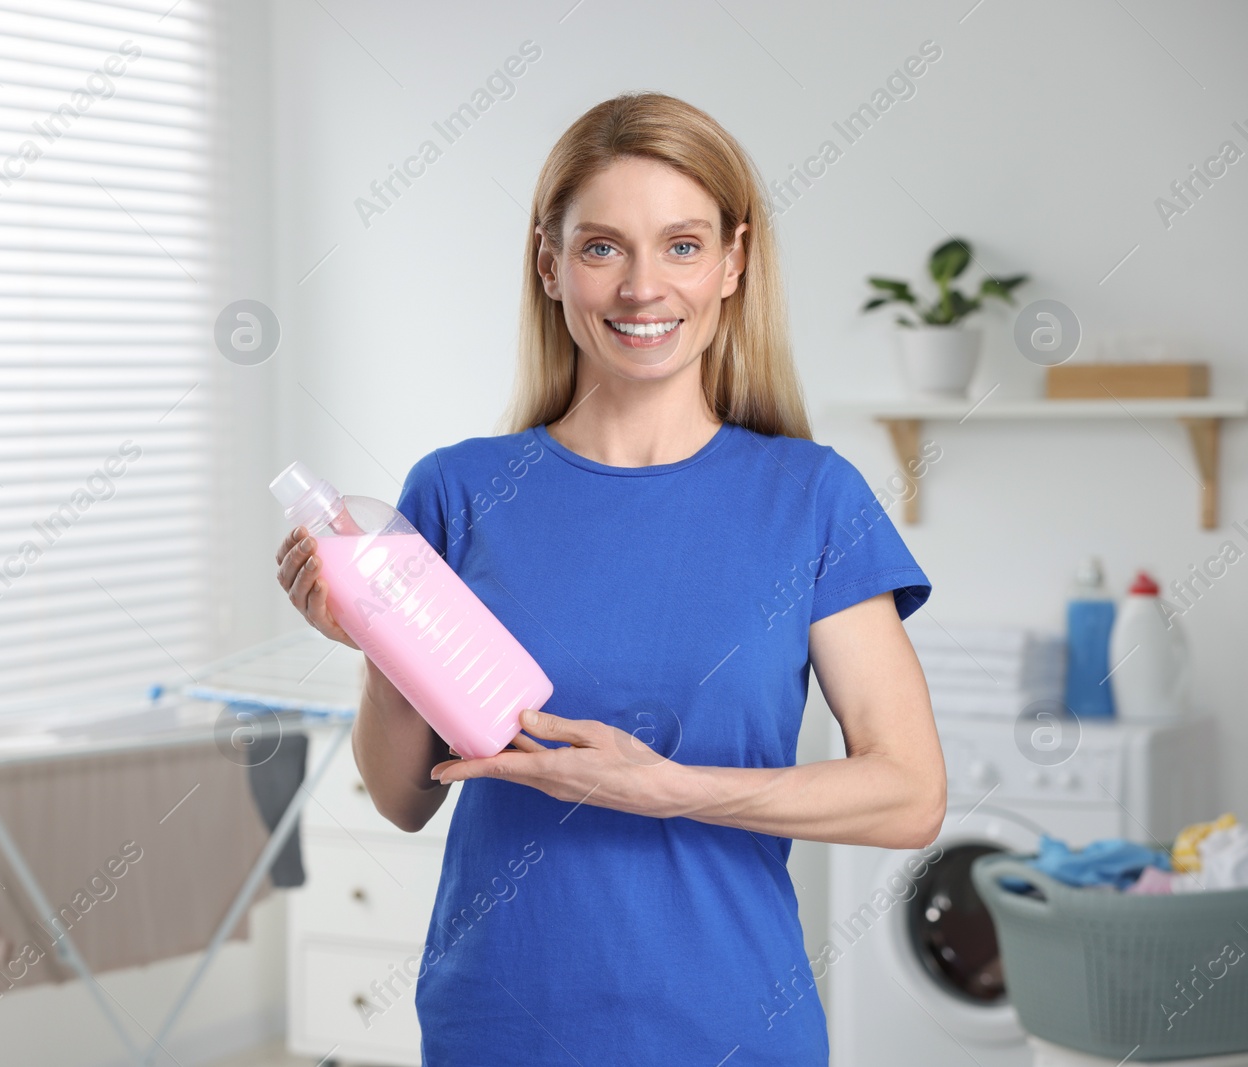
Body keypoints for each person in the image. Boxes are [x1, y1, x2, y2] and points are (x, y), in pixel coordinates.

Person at [273, 91, 944, 1066]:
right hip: (498, 1021)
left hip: (727, 1027)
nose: (641, 287)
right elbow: (402, 798)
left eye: (680, 245)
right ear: (550, 265)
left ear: (733, 260)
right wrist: (378, 633)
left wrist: (666, 787)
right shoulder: (457, 490)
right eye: (601, 248)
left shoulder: (810, 499)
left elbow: (908, 793)